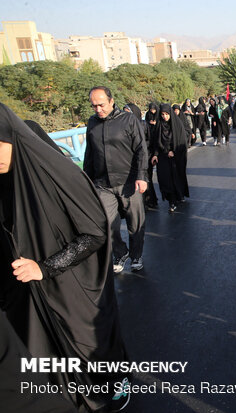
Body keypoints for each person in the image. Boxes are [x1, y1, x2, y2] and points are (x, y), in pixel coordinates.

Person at [0, 102, 130, 412]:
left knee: (91, 345)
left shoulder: (58, 174)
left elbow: (97, 232)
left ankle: (116, 383)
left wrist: (44, 268)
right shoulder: (8, 179)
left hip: (73, 283)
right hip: (30, 289)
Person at [85, 86, 147, 273]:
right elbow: (90, 154)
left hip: (128, 181)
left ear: (111, 101)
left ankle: (136, 255)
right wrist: (86, 181)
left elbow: (141, 149)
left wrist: (142, 176)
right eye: (94, 106)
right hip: (102, 184)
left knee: (135, 223)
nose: (98, 109)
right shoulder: (92, 123)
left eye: (101, 105)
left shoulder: (128, 120)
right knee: (106, 223)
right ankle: (120, 252)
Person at [151, 104, 190, 213]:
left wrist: (174, 151)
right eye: (162, 114)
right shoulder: (159, 126)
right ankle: (171, 201)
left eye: (167, 114)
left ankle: (176, 198)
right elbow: (155, 142)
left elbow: (182, 142)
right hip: (163, 157)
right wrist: (155, 154)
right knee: (165, 179)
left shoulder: (177, 125)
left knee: (175, 178)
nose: (165, 117)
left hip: (175, 158)